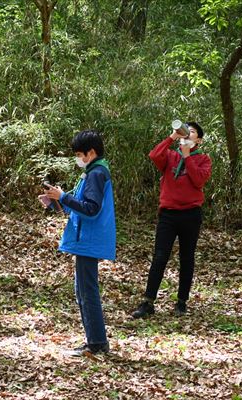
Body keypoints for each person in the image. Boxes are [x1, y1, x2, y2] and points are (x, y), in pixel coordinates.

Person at [41, 130, 116, 356]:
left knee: (87, 291)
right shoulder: (93, 172)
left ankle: (97, 344)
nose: (77, 159)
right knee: (82, 290)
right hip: (86, 239)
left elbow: (91, 210)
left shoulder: (96, 173)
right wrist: (55, 201)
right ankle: (94, 341)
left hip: (89, 240)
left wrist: (62, 196)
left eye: (78, 154)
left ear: (90, 153)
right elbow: (80, 205)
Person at [132, 122, 211, 318]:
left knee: (186, 258)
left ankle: (181, 302)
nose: (188, 133)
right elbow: (154, 155)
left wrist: (187, 155)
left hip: (191, 214)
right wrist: (172, 137)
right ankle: (148, 302)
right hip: (168, 213)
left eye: (191, 132)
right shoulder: (170, 156)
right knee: (160, 256)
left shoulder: (203, 159)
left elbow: (199, 180)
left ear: (198, 140)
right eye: (186, 130)